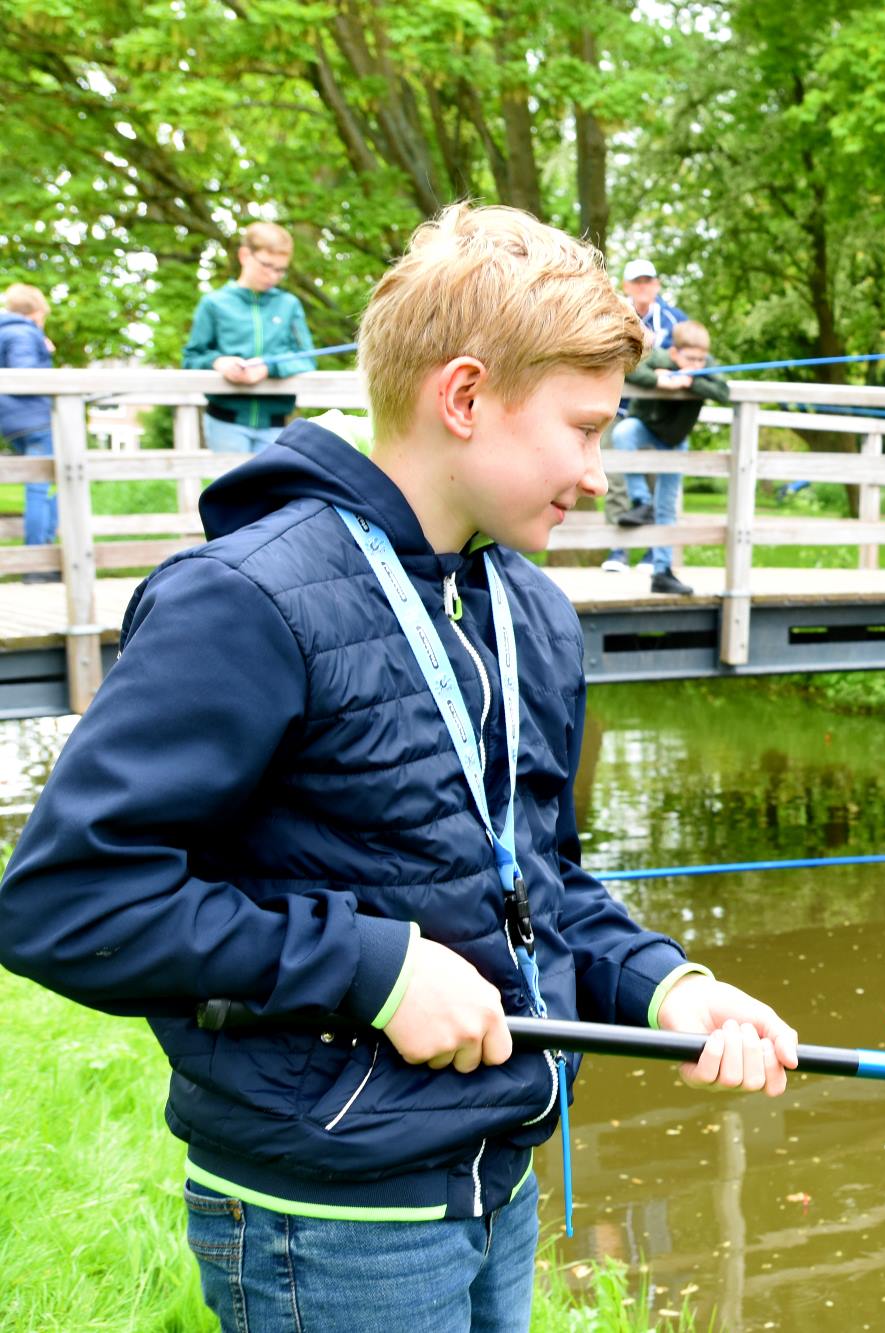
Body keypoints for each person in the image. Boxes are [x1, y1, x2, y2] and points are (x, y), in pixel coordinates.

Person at [0, 205, 796, 1332]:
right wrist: (374, 968)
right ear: (464, 397)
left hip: (497, 1182)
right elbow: (65, 901)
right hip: (332, 1220)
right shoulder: (245, 602)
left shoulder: (531, 611)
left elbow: (538, 879)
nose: (596, 471)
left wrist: (671, 986)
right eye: (582, 429)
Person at [608, 320, 729, 596]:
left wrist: (692, 381)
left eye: (701, 360)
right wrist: (661, 380)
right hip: (645, 426)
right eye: (691, 359)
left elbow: (724, 392)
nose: (697, 364)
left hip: (675, 440)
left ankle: (662, 571)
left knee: (667, 507)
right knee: (623, 433)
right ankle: (641, 501)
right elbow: (632, 370)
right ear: (675, 353)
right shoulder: (660, 357)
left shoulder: (705, 366)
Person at [182, 221, 316, 453]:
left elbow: (307, 359)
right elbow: (191, 358)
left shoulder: (289, 304)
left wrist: (269, 367)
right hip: (225, 421)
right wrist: (218, 362)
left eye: (280, 269)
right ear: (245, 255)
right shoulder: (214, 303)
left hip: (276, 424)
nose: (273, 275)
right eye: (267, 265)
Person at [606, 259, 691, 528]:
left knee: (657, 481)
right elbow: (613, 359)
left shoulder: (675, 320)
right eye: (637, 281)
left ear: (657, 284)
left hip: (656, 415)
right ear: (626, 286)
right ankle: (617, 547)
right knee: (616, 481)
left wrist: (669, 371)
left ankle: (654, 548)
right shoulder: (613, 316)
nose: (643, 286)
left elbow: (691, 359)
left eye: (648, 281)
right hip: (618, 408)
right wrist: (655, 376)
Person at [0, 283, 58, 579]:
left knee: (47, 484)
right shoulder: (23, 332)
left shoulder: (6, 331)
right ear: (36, 313)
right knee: (43, 486)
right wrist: (43, 351)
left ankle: (41, 557)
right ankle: (37, 563)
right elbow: (25, 374)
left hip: (12, 421)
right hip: (33, 420)